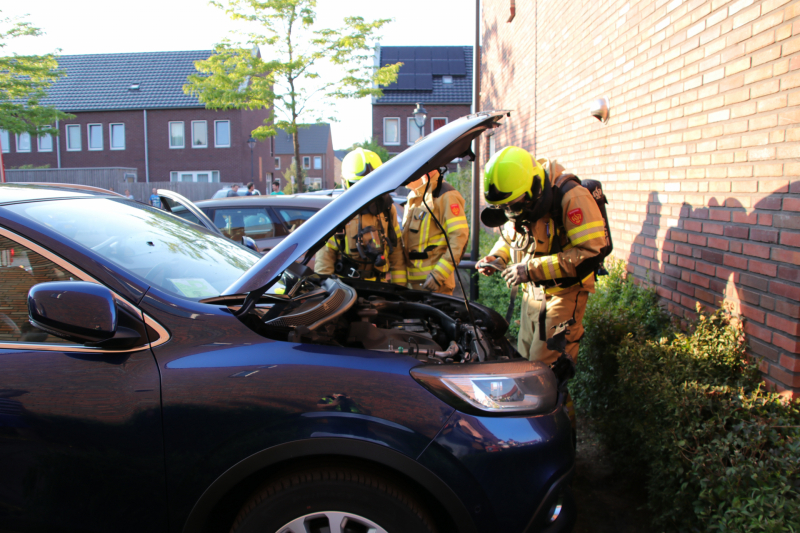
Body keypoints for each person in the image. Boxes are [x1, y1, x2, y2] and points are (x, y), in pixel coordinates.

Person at [476, 146, 607, 366]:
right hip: (532, 298)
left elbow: (591, 253)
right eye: (505, 207)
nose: (512, 212)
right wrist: (497, 257)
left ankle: (560, 401)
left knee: (544, 372)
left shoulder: (572, 196)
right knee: (525, 367)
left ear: (536, 187)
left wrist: (530, 269)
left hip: (563, 297)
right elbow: (511, 236)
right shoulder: (520, 197)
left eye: (514, 205)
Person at [314, 148, 406, 285]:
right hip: (347, 289)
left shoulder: (387, 209)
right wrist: (325, 291)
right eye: (358, 185)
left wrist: (400, 291)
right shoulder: (337, 213)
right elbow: (324, 260)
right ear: (346, 183)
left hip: (381, 289)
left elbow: (396, 253)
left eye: (371, 184)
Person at [402, 169, 469, 294]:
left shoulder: (446, 195)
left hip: (435, 287)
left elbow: (459, 238)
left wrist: (438, 275)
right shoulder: (415, 196)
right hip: (415, 285)